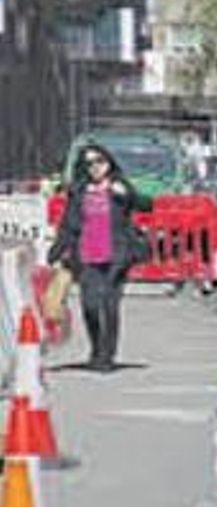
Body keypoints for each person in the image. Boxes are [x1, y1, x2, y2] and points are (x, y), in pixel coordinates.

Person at [47, 143, 153, 372]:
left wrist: (127, 195)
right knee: (90, 305)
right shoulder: (79, 191)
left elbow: (147, 205)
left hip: (117, 254)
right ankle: (96, 346)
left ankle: (107, 355)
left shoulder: (119, 186)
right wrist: (57, 249)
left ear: (108, 163)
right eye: (89, 163)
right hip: (86, 255)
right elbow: (68, 224)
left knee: (109, 305)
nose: (95, 167)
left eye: (99, 161)